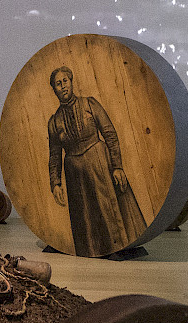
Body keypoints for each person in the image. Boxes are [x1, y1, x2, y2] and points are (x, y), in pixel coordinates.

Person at [47, 66, 146, 256]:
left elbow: (109, 133)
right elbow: (54, 155)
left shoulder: (90, 104)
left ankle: (117, 248)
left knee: (109, 208)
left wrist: (117, 167)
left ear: (71, 81)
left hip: (100, 163)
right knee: (85, 218)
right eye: (58, 84)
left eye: (65, 81)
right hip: (75, 175)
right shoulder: (54, 122)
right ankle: (92, 252)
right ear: (54, 90)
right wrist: (56, 183)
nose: (63, 86)